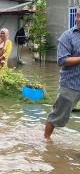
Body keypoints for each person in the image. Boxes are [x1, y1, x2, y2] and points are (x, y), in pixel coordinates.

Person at [44, 9, 80, 141]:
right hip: (71, 83)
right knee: (57, 115)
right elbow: (62, 60)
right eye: (77, 15)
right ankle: (46, 141)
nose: (78, 19)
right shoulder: (68, 36)